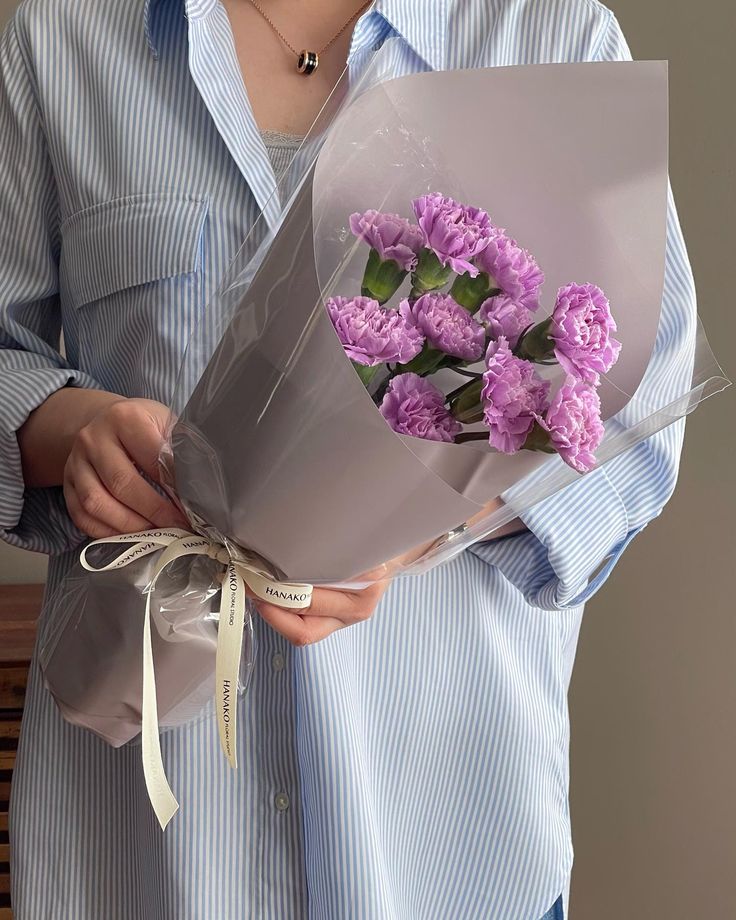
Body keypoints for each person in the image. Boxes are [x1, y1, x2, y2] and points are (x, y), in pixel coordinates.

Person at [0, 1, 695, 918]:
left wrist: (420, 526)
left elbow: (636, 413)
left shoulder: (550, 34)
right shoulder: (64, 39)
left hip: (444, 841)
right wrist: (67, 426)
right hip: (143, 851)